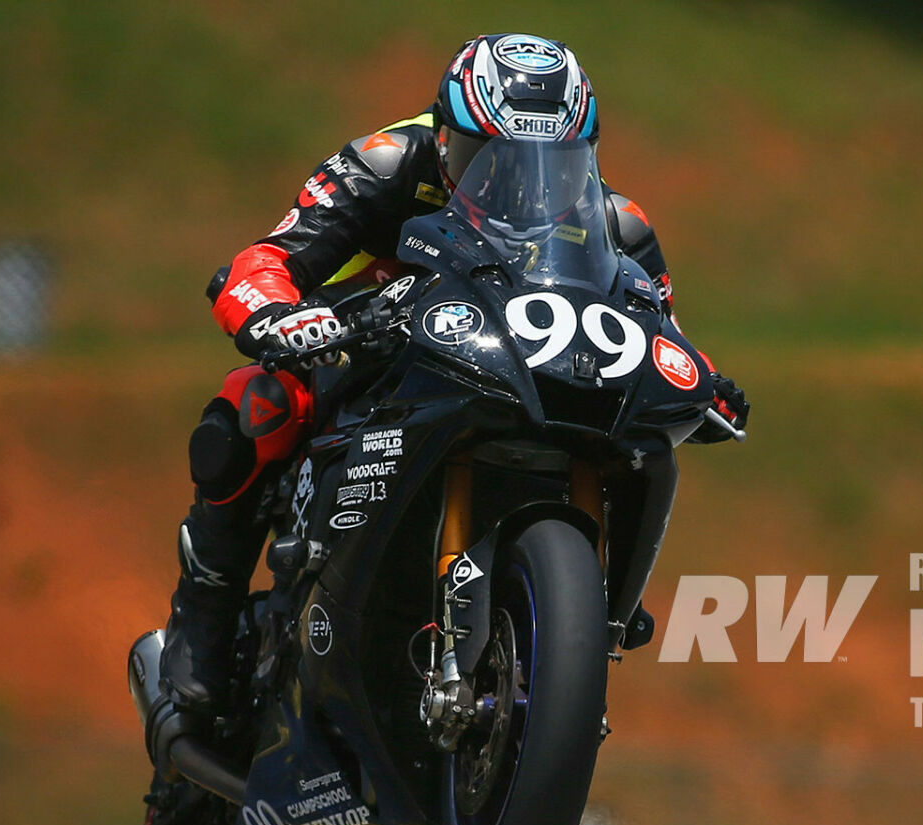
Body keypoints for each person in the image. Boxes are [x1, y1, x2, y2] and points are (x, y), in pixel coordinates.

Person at [159, 32, 750, 715]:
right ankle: (202, 616)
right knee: (257, 405)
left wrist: (701, 378)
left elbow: (656, 325)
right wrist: (278, 316)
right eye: (483, 160)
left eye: (550, 165)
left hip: (504, 367)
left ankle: (587, 624)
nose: (513, 181)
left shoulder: (619, 224)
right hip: (367, 336)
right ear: (444, 141)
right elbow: (268, 260)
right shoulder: (381, 166)